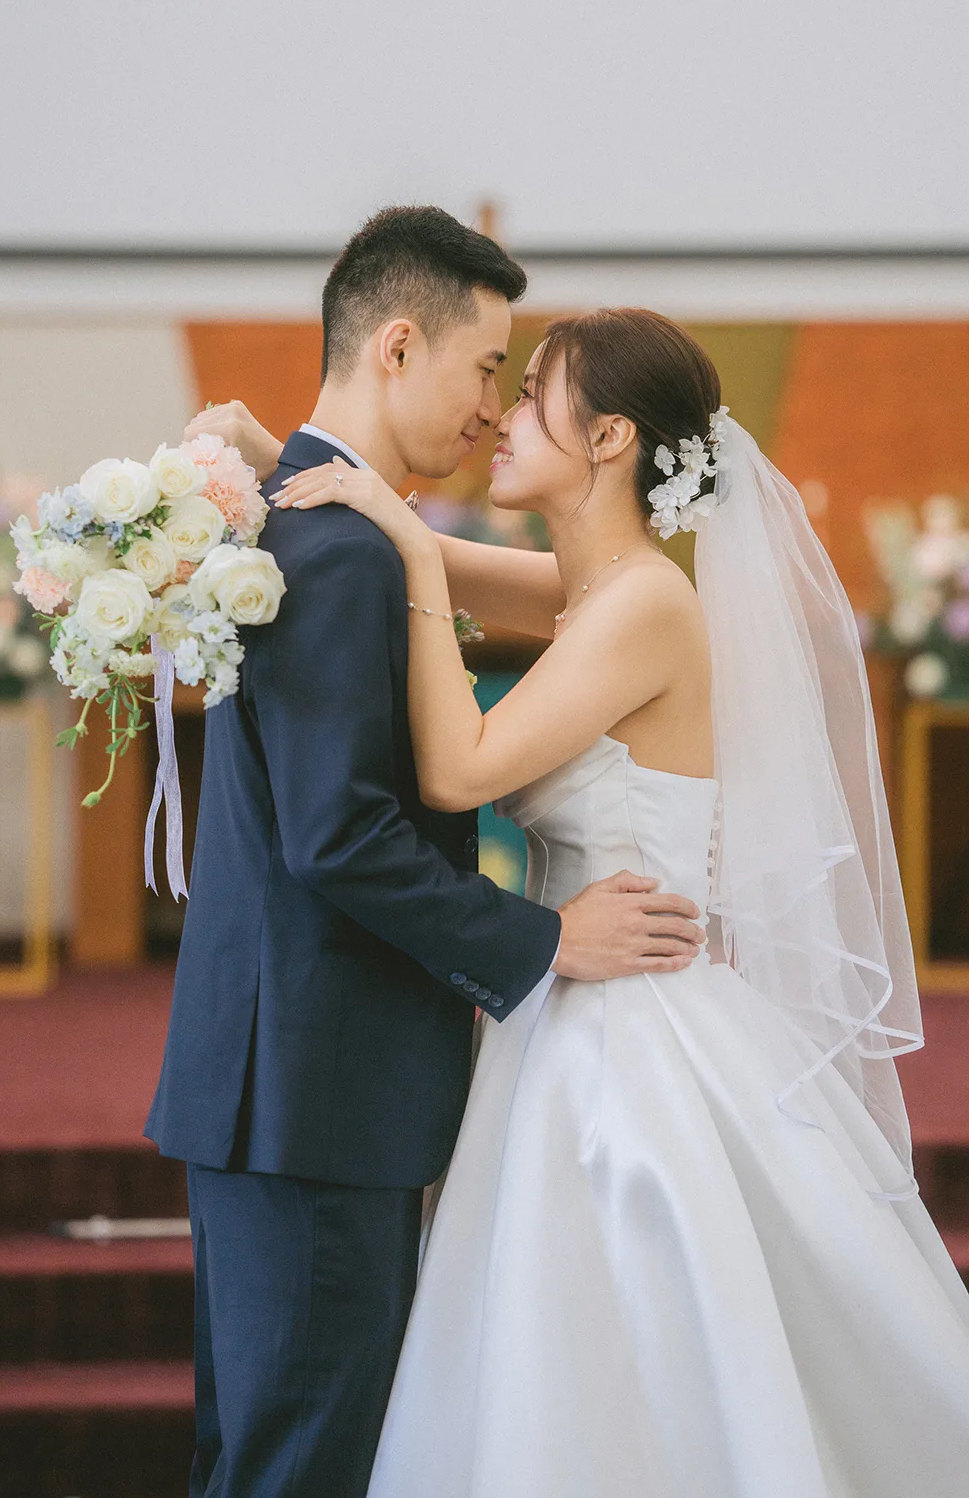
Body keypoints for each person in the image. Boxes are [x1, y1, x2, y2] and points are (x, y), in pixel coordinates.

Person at [279, 307, 969, 1497]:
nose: (497, 416)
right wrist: (284, 468)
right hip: (565, 1000)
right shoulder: (595, 584)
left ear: (606, 436)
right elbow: (459, 569)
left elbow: (461, 770)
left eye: (530, 389)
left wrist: (401, 529)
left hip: (635, 1026)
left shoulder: (644, 606)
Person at [145, 211, 707, 1498]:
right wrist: (545, 938)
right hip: (316, 1093)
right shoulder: (340, 546)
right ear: (400, 345)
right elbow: (344, 832)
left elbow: (560, 604)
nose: (493, 407)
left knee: (257, 1453)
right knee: (297, 1460)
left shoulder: (326, 526)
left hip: (281, 1076)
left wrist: (352, 500)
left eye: (522, 388)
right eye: (488, 367)